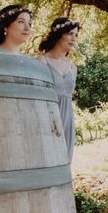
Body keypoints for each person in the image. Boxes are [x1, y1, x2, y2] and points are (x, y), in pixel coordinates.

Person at [37, 17, 79, 161]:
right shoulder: (42, 61)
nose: (74, 38)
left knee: (65, 161)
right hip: (47, 117)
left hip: (67, 119)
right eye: (70, 34)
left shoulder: (72, 68)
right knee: (48, 159)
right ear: (59, 33)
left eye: (76, 35)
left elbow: (69, 95)